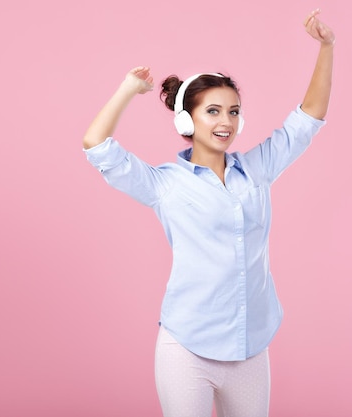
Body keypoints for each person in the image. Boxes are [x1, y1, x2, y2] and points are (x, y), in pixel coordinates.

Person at [82, 9, 335, 417]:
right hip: (187, 346)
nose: (226, 122)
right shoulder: (165, 184)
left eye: (233, 111)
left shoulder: (256, 170)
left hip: (250, 347)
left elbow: (307, 119)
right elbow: (96, 144)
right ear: (187, 120)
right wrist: (129, 89)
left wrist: (327, 47)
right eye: (213, 111)